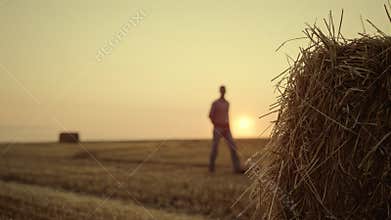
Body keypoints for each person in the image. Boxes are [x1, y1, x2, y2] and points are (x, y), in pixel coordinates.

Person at [208, 85, 243, 174]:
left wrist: (228, 126)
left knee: (233, 147)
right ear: (220, 91)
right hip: (218, 128)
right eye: (222, 90)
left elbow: (227, 116)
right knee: (215, 148)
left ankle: (237, 168)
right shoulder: (215, 103)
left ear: (225, 91)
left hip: (226, 128)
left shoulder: (227, 103)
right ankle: (211, 168)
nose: (223, 92)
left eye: (224, 90)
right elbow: (210, 115)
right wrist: (216, 125)